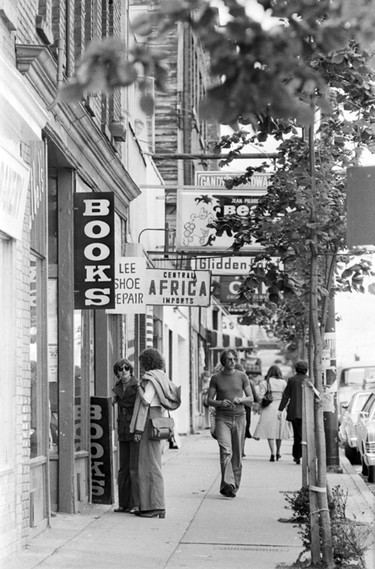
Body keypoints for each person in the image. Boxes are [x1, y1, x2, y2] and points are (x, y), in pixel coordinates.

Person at [130, 348, 181, 518]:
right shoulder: (162, 376)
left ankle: (154, 506)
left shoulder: (150, 378)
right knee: (152, 462)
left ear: (146, 362)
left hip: (148, 420)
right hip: (157, 418)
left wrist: (138, 387)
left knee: (148, 464)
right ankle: (153, 505)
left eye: (142, 362)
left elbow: (146, 400)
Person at [207, 349, 254, 498]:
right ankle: (228, 483)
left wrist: (240, 400)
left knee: (237, 454)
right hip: (223, 418)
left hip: (240, 417)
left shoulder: (242, 376)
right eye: (229, 359)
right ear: (223, 362)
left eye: (234, 359)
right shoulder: (216, 378)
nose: (233, 361)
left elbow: (251, 398)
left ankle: (233, 486)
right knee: (225, 451)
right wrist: (221, 402)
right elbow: (209, 400)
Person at [112, 358, 140, 513]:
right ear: (117, 372)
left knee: (134, 468)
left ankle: (136, 504)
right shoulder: (117, 387)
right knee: (123, 468)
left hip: (134, 427)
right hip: (122, 428)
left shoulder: (137, 386)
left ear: (131, 370)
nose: (124, 371)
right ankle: (124, 503)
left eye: (127, 368)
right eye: (121, 369)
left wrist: (138, 430)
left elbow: (141, 409)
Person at [253, 365, 289, 462]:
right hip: (280, 408)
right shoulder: (283, 383)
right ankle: (278, 452)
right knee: (279, 431)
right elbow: (287, 397)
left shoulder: (265, 382)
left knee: (270, 431)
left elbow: (260, 396)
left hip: (268, 408)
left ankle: (272, 453)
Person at [277, 360, 308, 465]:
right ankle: (305, 454)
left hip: (295, 412)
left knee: (297, 435)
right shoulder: (309, 380)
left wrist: (280, 409)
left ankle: (297, 455)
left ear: (296, 369)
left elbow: (286, 395)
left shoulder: (292, 380)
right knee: (306, 435)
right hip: (307, 412)